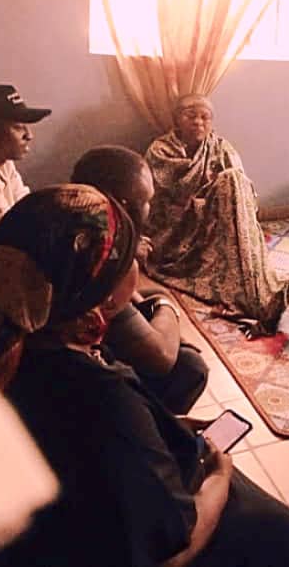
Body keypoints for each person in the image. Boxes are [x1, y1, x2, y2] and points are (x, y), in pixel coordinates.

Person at [0, 185, 289, 567]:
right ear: (102, 294)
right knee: (278, 527)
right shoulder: (100, 396)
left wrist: (160, 424)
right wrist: (219, 474)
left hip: (60, 517)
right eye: (129, 258)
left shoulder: (4, 340)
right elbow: (173, 551)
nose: (137, 263)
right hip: (96, 543)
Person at [71, 145, 209, 415]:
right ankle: (154, 422)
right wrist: (166, 303)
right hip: (73, 382)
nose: (151, 208)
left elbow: (133, 302)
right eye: (147, 200)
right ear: (123, 205)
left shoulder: (72, 215)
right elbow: (161, 358)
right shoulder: (101, 261)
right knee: (190, 367)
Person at [144, 94, 289, 338]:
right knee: (229, 183)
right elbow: (160, 201)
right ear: (177, 120)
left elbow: (243, 194)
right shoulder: (161, 151)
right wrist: (204, 202)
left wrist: (222, 196)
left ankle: (259, 291)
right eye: (191, 116)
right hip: (179, 231)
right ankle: (257, 301)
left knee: (233, 181)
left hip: (219, 222)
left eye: (205, 117)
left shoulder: (221, 147)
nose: (198, 122)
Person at [0, 83, 50, 245]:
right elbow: (14, 240)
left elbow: (31, 210)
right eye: (18, 127)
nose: (29, 135)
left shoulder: (2, 161)